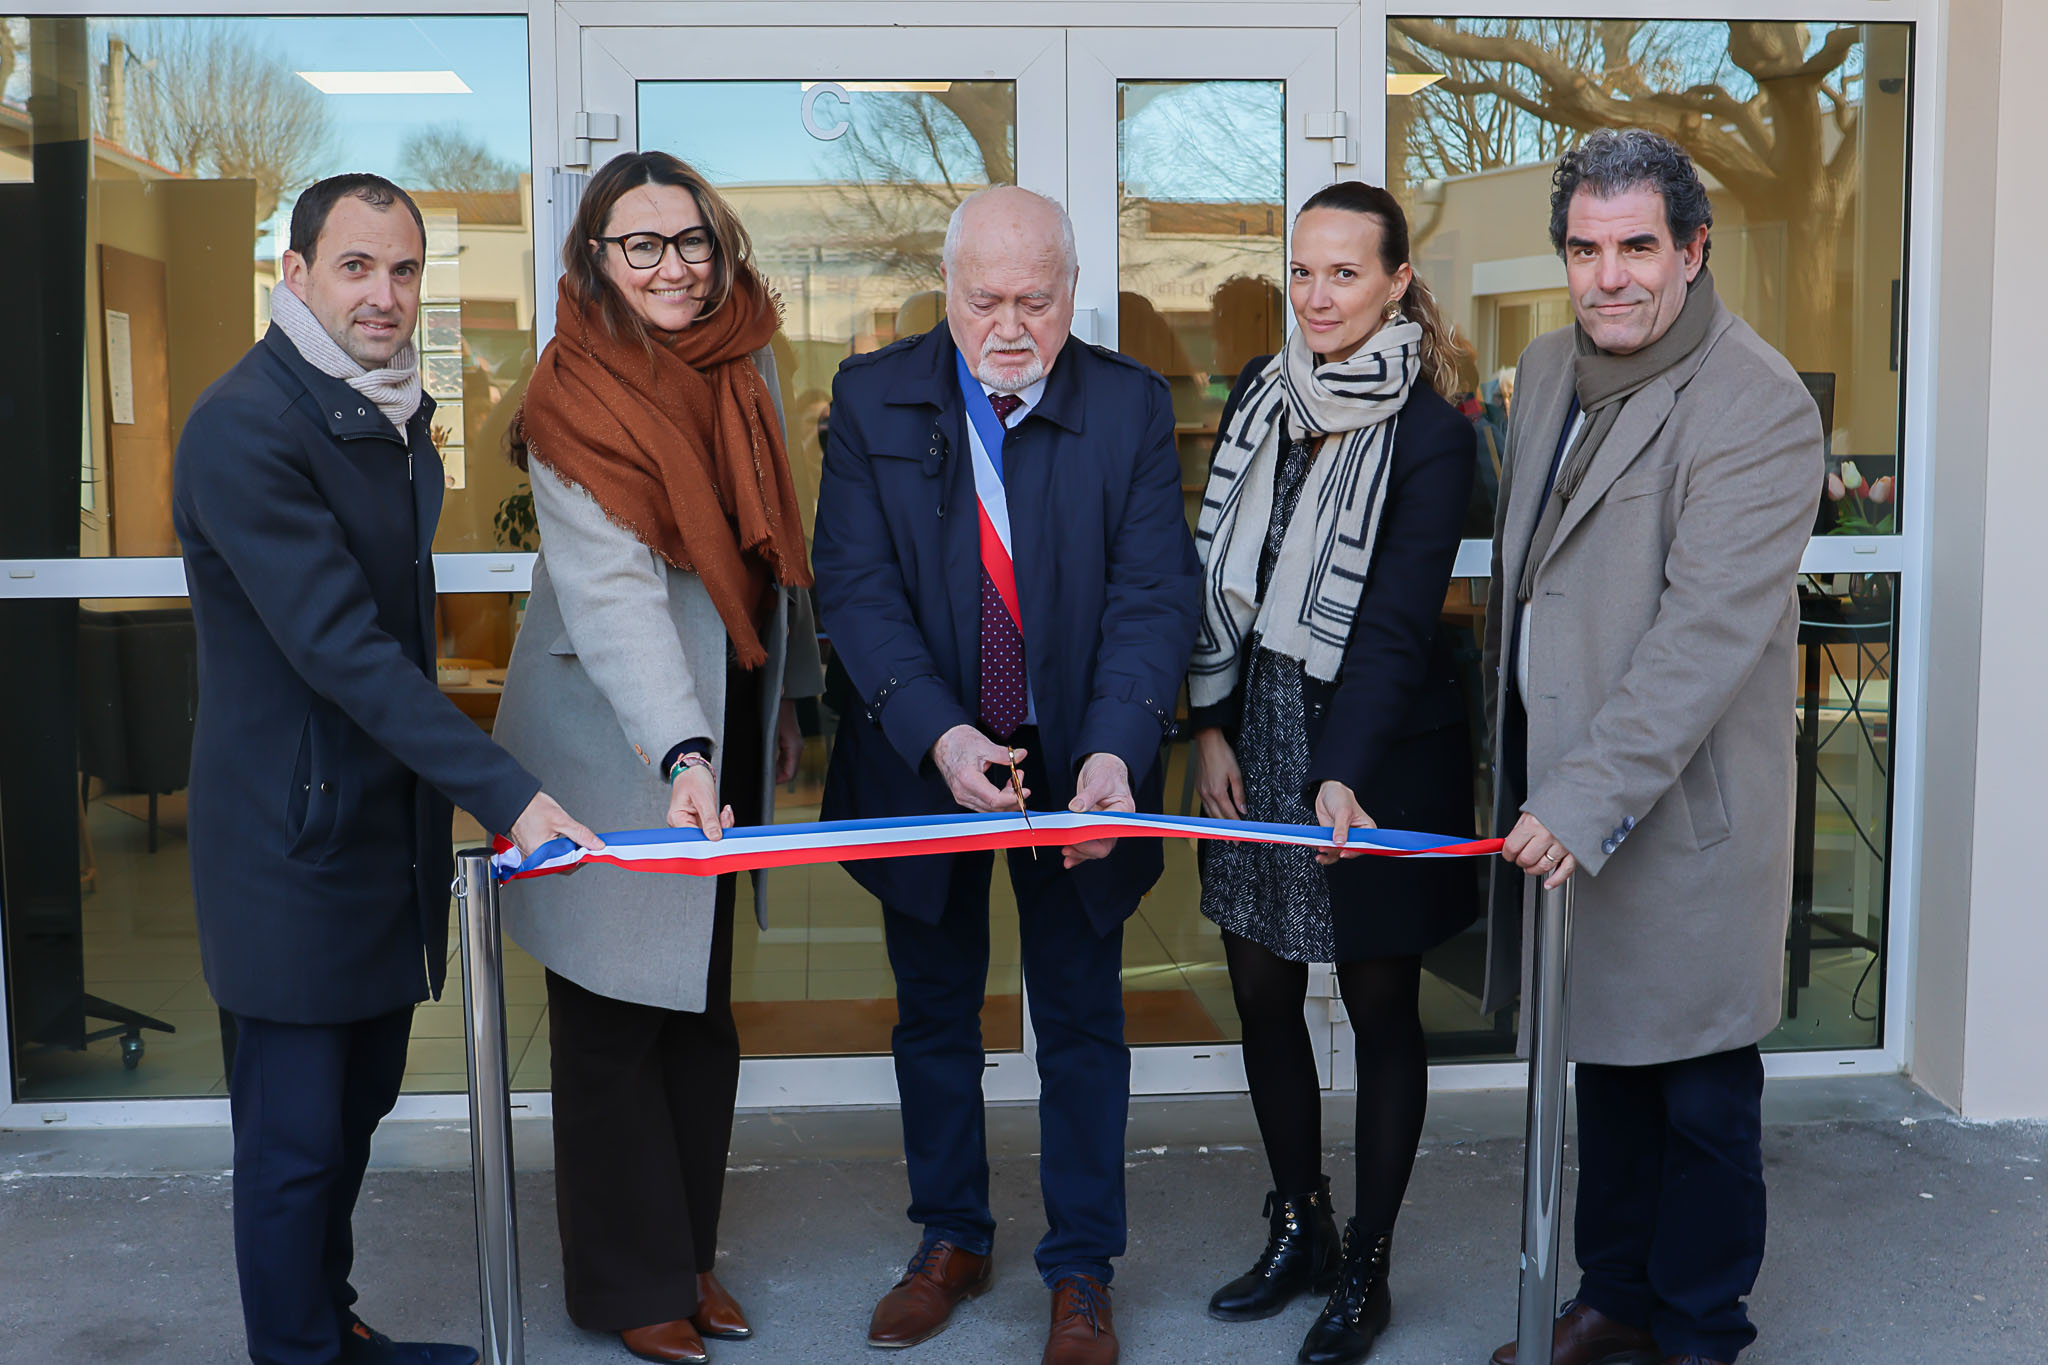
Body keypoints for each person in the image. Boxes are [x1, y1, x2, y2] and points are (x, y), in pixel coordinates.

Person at [171, 173, 599, 1365]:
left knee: (355, 1110)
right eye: (355, 267)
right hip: (287, 842)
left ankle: (329, 1327)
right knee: (295, 1138)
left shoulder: (389, 415)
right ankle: (296, 1352)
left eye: (404, 270)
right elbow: (343, 650)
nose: (385, 294)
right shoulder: (248, 426)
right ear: (294, 275)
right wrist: (510, 794)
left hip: (374, 827)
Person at [811, 184, 1201, 1365]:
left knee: (1079, 1014)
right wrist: (937, 734)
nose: (1010, 323)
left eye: (1036, 298)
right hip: (926, 751)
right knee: (933, 1010)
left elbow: (1152, 594)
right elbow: (855, 589)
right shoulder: (872, 396)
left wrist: (1113, 752)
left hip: (1077, 755)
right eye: (984, 298)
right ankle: (950, 1238)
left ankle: (1079, 1270)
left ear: (1071, 293)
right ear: (947, 290)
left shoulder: (1128, 405)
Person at [1481, 130, 1823, 1365]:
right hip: (1567, 809)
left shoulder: (1754, 400)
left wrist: (1578, 796)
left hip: (1676, 816)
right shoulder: (1544, 368)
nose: (1606, 275)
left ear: (1691, 250)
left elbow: (1701, 639)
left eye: (1635, 246)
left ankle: (1696, 1328)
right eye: (1583, 247)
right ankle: (1613, 1296)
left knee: (1698, 1098)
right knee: (1604, 1073)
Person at [490, 150, 822, 1365]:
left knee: (697, 1009)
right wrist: (682, 745)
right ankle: (626, 1285)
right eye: (642, 246)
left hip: (719, 711)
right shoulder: (570, 390)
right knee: (610, 1016)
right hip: (607, 737)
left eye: (689, 242)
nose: (672, 268)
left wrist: (777, 697)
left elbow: (773, 539)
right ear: (595, 258)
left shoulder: (745, 356)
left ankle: (686, 1253)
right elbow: (616, 594)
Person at [1188, 181, 1476, 1365]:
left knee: (1376, 1004)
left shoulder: (1433, 432)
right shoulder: (1260, 396)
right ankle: (1297, 1222)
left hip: (1369, 745)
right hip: (1254, 726)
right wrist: (1204, 727)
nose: (1316, 296)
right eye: (1301, 273)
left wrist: (1340, 776)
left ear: (1396, 281)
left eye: (1343, 273)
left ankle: (1367, 1261)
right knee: (1258, 991)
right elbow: (1214, 576)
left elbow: (1399, 626)